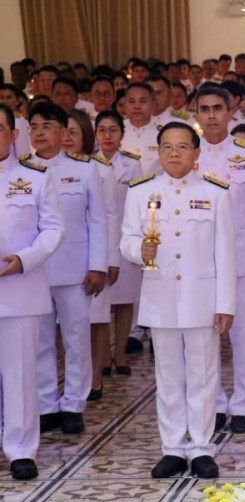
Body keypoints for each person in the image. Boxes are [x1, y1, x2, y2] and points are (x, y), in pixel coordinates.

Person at [120, 122, 236, 479]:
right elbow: (126, 240)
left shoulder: (215, 192)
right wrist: (139, 250)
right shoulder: (140, 191)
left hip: (202, 298)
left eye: (182, 147)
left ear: (196, 153)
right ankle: (172, 447)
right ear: (158, 152)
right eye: (167, 147)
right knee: (168, 376)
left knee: (203, 375)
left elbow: (225, 253)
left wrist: (225, 304)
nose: (174, 153)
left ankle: (201, 447)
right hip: (161, 296)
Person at [193, 86, 245, 433]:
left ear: (230, 113)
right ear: (196, 115)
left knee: (243, 338)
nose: (211, 115)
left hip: (242, 260)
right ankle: (212, 405)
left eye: (218, 108)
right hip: (198, 262)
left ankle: (243, 406)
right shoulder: (187, 154)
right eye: (204, 109)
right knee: (205, 339)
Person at [29, 102, 108, 435]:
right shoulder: (21, 171)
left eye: (47, 126)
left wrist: (98, 266)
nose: (40, 133)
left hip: (76, 269)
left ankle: (74, 404)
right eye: (34, 127)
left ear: (63, 132)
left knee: (76, 339)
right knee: (40, 340)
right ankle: (46, 404)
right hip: (33, 271)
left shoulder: (84, 169)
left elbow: (98, 220)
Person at [0, 103, 64, 479]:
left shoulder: (35, 178)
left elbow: (53, 229)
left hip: (20, 290)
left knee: (20, 374)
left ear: (13, 135)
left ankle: (21, 449)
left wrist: (24, 260)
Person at [62, 109, 121, 401]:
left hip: (94, 255)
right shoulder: (45, 167)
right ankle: (69, 377)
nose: (67, 138)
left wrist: (110, 259)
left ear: (85, 135)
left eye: (73, 132)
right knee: (63, 324)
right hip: (62, 257)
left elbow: (108, 216)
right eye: (63, 131)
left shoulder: (99, 168)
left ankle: (95, 376)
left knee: (96, 319)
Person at [95, 110, 143, 376]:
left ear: (122, 134)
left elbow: (139, 200)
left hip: (126, 237)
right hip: (99, 239)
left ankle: (121, 352)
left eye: (113, 130)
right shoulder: (89, 163)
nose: (107, 136)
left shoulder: (132, 164)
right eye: (102, 130)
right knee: (100, 301)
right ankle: (103, 355)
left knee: (125, 299)